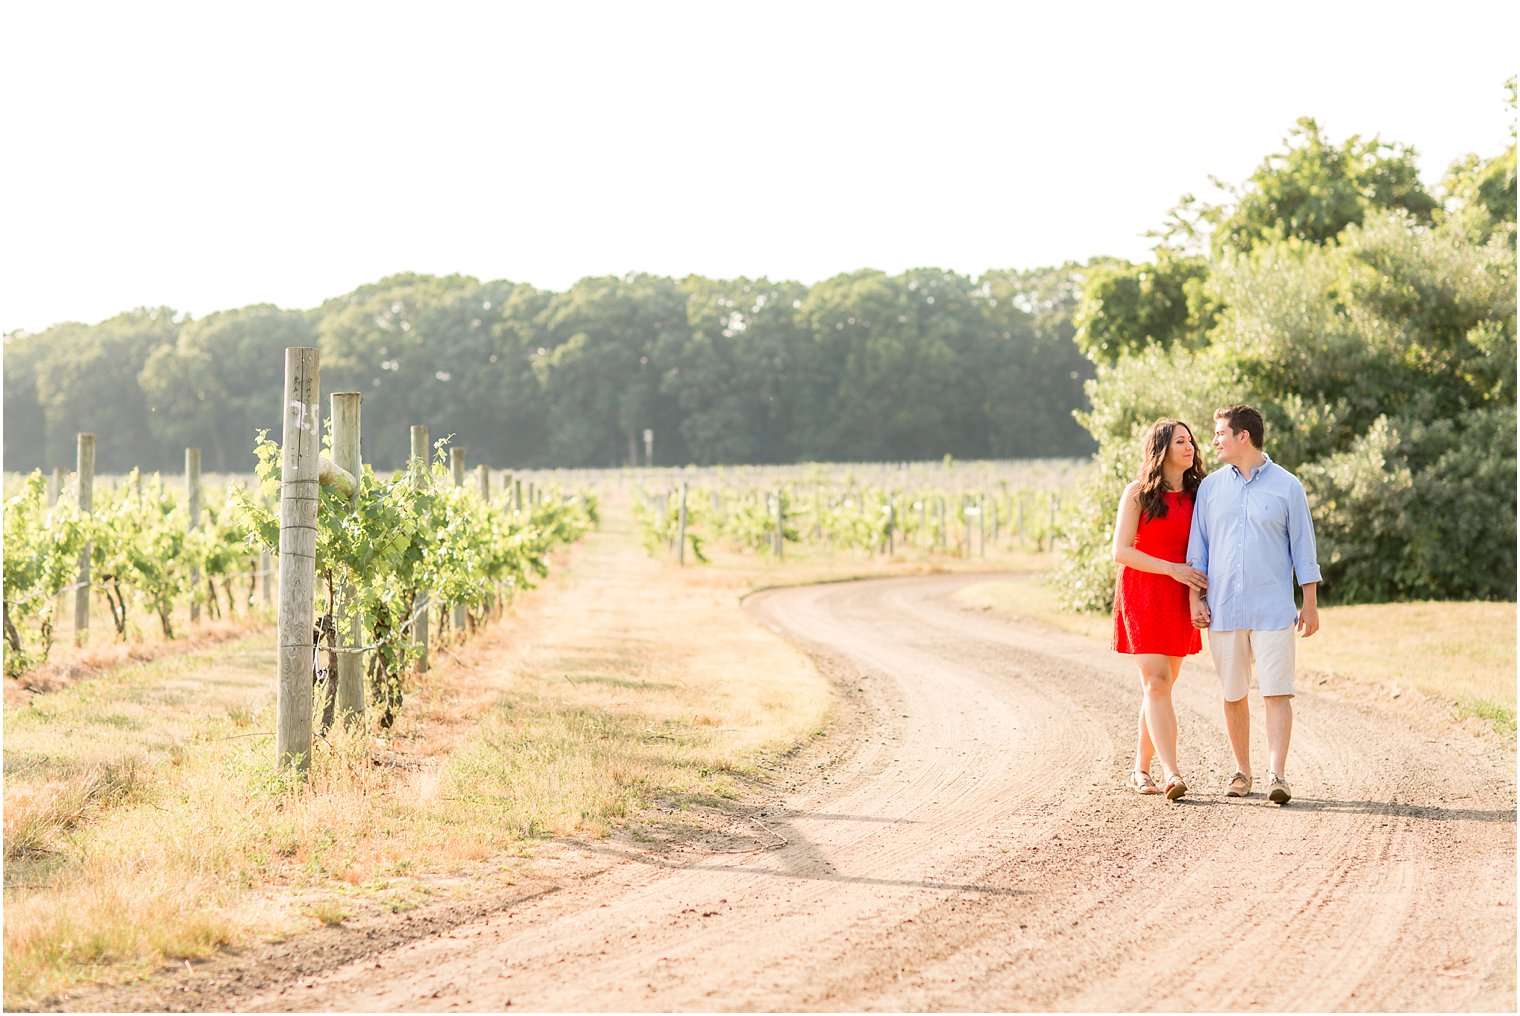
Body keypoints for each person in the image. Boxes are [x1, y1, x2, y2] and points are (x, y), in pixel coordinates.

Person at [1187, 405, 1321, 805]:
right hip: (1224, 609)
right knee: (1233, 693)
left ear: (1243, 436)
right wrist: (1196, 598)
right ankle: (1241, 772)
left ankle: (1277, 775)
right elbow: (1199, 549)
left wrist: (1309, 602)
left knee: (1277, 691)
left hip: (1273, 609)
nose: (1214, 441)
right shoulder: (1210, 488)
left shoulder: (1287, 486)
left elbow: (1303, 547)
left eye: (1220, 433)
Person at [1111, 418, 1210, 802]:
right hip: (1144, 592)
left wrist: (1195, 591)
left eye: (1191, 441)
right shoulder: (1137, 493)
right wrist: (1172, 569)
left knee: (1161, 688)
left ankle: (1139, 769)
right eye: (1180, 441)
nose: (1190, 447)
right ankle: (1173, 772)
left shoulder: (1201, 494)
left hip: (1182, 596)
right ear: (1161, 449)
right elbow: (1120, 551)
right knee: (1156, 684)